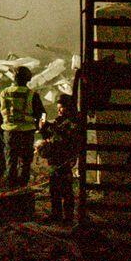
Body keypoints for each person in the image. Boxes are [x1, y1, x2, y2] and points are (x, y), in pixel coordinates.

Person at [39, 92, 83, 223]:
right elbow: (50, 135)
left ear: (68, 108)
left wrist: (51, 128)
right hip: (55, 158)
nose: (59, 110)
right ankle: (56, 214)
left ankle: (68, 217)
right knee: (54, 189)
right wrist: (43, 128)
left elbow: (66, 137)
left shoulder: (73, 122)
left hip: (64, 159)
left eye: (61, 108)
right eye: (58, 108)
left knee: (66, 190)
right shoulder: (59, 121)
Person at [0, 66, 40, 187]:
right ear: (28, 78)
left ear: (14, 77)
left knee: (10, 161)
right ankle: (22, 187)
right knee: (25, 162)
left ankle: (10, 187)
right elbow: (42, 113)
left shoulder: (4, 93)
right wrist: (40, 125)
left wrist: (0, 127)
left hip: (9, 132)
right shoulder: (32, 94)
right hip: (27, 132)